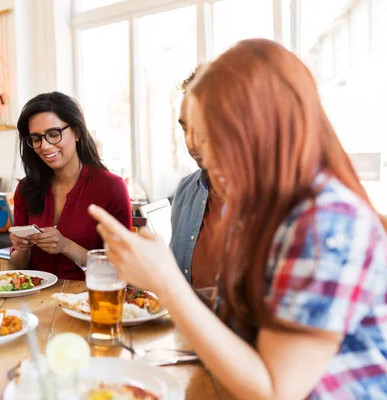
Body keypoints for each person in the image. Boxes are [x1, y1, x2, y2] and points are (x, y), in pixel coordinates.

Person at [89, 39, 387, 399]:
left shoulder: (329, 222)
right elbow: (238, 319)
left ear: (268, 127)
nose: (205, 154)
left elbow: (275, 391)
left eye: (217, 134)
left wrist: (166, 280)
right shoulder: (258, 209)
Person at [11, 91, 131, 280]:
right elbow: (18, 264)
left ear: (76, 131)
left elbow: (120, 267)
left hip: (88, 301)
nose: (45, 146)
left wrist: (66, 246)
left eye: (53, 134)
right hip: (35, 301)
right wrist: (21, 248)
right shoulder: (26, 189)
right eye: (36, 139)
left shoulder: (111, 188)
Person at [171, 64, 223, 291]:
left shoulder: (267, 202)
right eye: (185, 129)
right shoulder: (186, 190)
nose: (190, 142)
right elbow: (178, 281)